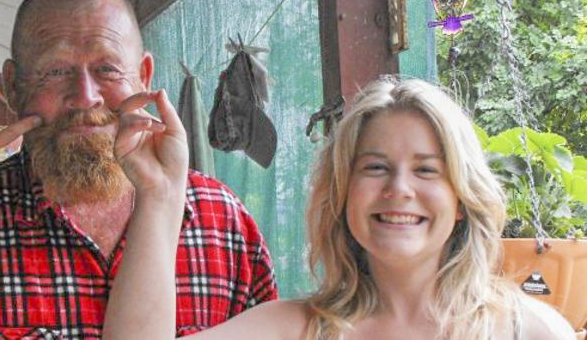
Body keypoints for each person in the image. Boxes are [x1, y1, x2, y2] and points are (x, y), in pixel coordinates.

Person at [103, 78, 575, 340]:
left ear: (462, 199)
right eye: (374, 167)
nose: (399, 188)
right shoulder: (294, 330)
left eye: (427, 170)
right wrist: (162, 193)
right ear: (343, 193)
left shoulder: (529, 331)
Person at [0, 0, 277, 338]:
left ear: (144, 75)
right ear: (13, 86)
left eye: (108, 69)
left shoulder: (224, 222)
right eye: (55, 71)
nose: (85, 97)